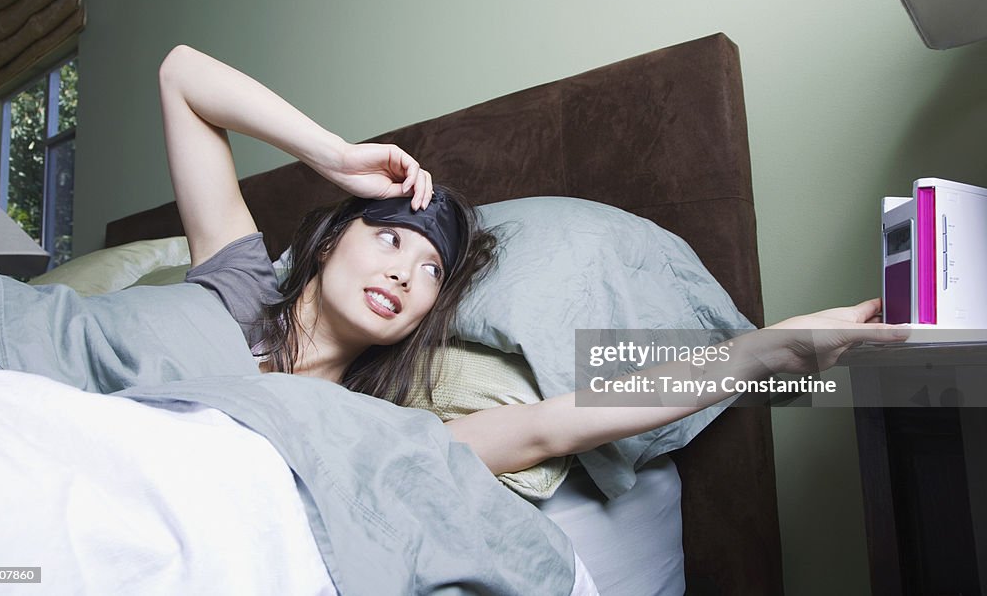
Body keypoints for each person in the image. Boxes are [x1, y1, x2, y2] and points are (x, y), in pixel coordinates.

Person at [153, 44, 908, 477]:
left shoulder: (371, 428)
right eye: (388, 238)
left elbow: (558, 424)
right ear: (325, 243)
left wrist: (773, 348)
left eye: (429, 272)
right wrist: (339, 156)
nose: (403, 274)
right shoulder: (238, 284)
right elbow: (182, 75)